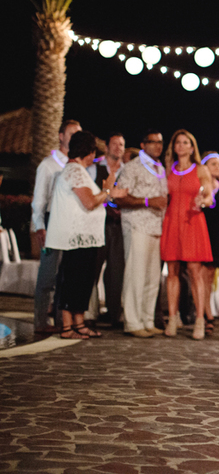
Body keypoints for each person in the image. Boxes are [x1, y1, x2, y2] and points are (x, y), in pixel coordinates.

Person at [45, 131, 128, 339]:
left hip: (84, 238)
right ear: (88, 152)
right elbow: (89, 202)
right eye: (93, 151)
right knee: (73, 281)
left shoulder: (77, 171)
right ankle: (67, 326)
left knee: (82, 281)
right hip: (77, 238)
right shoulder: (75, 171)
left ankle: (79, 323)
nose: (94, 156)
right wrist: (107, 191)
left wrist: (109, 193)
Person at [161, 129, 214, 340]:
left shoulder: (200, 169)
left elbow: (209, 196)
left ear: (192, 148)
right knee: (172, 271)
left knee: (194, 271)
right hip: (172, 221)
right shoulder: (169, 169)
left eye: (185, 142)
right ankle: (172, 318)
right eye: (178, 142)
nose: (181, 146)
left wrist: (203, 201)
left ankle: (200, 319)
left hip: (192, 221)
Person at [114, 130, 168, 338]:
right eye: (153, 142)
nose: (158, 146)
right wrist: (148, 201)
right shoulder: (132, 167)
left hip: (156, 227)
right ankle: (132, 321)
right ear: (143, 145)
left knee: (152, 277)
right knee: (135, 274)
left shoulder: (160, 168)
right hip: (137, 225)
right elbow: (120, 198)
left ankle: (147, 319)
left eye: (160, 142)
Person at [31, 119, 81, 334]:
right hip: (52, 222)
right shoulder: (48, 165)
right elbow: (39, 199)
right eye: (72, 134)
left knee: (65, 276)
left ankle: (62, 320)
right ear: (61, 136)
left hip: (71, 223)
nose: (75, 138)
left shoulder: (78, 166)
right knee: (48, 275)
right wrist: (39, 226)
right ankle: (41, 320)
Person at [90, 133, 126, 329]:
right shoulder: (95, 167)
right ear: (107, 147)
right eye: (115, 144)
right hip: (98, 223)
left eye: (121, 144)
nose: (118, 148)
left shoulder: (126, 170)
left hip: (118, 225)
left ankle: (114, 314)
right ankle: (89, 312)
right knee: (93, 267)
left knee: (116, 271)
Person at [201, 151, 219, 336]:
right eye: (213, 164)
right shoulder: (199, 184)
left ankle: (207, 313)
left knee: (209, 275)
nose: (217, 168)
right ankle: (205, 314)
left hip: (215, 234)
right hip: (200, 231)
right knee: (199, 275)